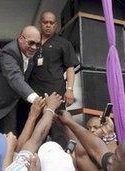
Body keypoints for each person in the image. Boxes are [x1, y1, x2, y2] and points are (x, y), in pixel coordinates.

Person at [28, 11, 79, 147]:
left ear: (56, 25)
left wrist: (69, 90)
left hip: (55, 93)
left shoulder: (63, 43)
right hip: (34, 94)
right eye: (45, 22)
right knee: (35, 129)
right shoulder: (34, 43)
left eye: (51, 23)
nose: (48, 25)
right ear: (40, 23)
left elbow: (70, 68)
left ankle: (61, 159)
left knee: (58, 129)